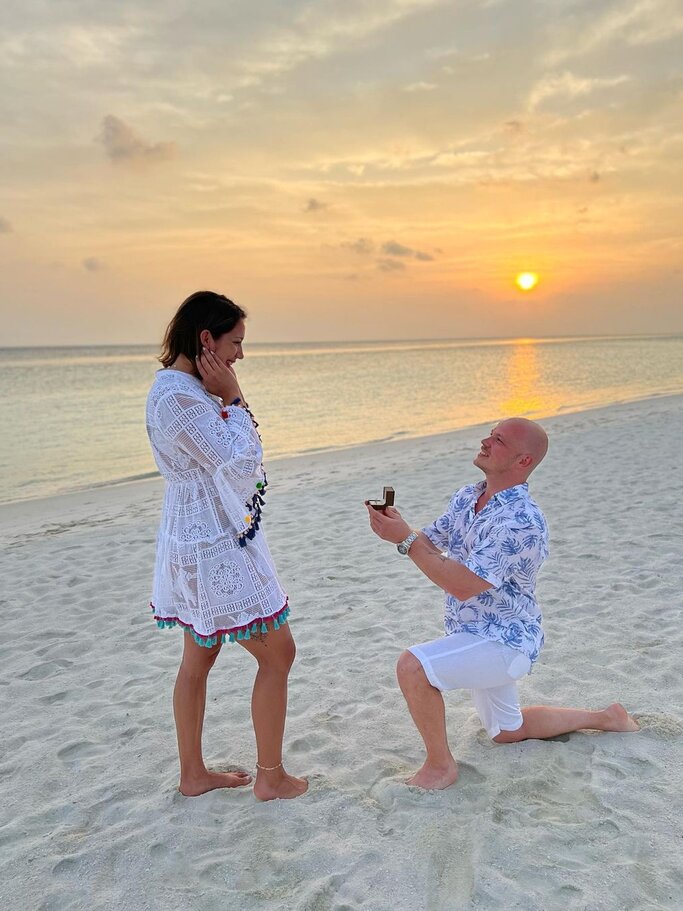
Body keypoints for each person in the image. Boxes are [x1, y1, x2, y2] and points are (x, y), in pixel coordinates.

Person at [365, 417, 638, 790]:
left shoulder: (521, 520)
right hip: (471, 633)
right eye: (490, 435)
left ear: (523, 461)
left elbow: (463, 585)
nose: (485, 441)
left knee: (413, 667)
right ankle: (607, 717)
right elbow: (428, 544)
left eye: (498, 440)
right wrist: (399, 530)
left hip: (505, 642)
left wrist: (406, 541)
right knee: (508, 732)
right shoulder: (468, 496)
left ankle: (440, 766)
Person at [146, 290, 307, 800]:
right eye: (235, 342)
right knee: (278, 653)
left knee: (199, 656)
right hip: (214, 544)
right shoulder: (179, 398)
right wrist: (235, 399)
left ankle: (194, 774)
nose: (239, 354)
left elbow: (228, 462)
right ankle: (270, 777)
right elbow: (239, 465)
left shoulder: (181, 391)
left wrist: (227, 402)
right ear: (206, 339)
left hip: (198, 536)